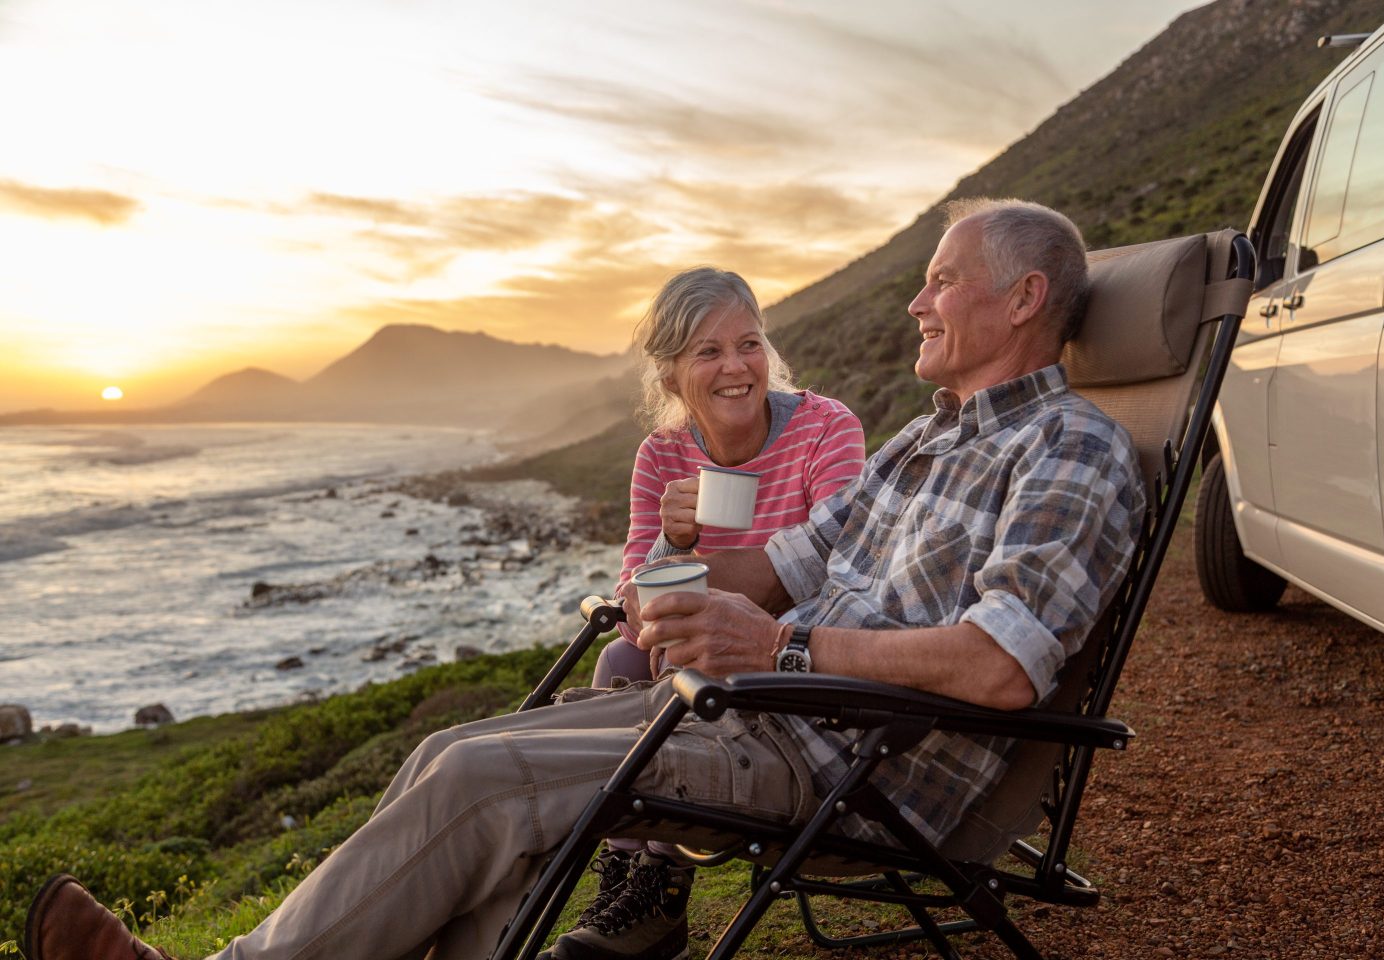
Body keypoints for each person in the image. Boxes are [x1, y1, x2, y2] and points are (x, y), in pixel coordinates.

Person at [24, 198, 1146, 960]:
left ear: (1022, 298)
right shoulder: (927, 439)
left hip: (853, 758)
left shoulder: (1071, 449)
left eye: (941, 281)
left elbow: (1001, 668)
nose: (917, 301)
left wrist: (782, 651)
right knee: (446, 749)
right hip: (771, 713)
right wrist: (682, 577)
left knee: (485, 788)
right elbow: (783, 567)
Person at [596, 266, 866, 688]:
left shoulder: (826, 429)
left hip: (790, 655)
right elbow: (632, 620)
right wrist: (673, 542)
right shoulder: (659, 455)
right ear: (671, 377)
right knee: (618, 658)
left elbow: (847, 572)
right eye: (708, 353)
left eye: (749, 345)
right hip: (687, 656)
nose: (736, 366)